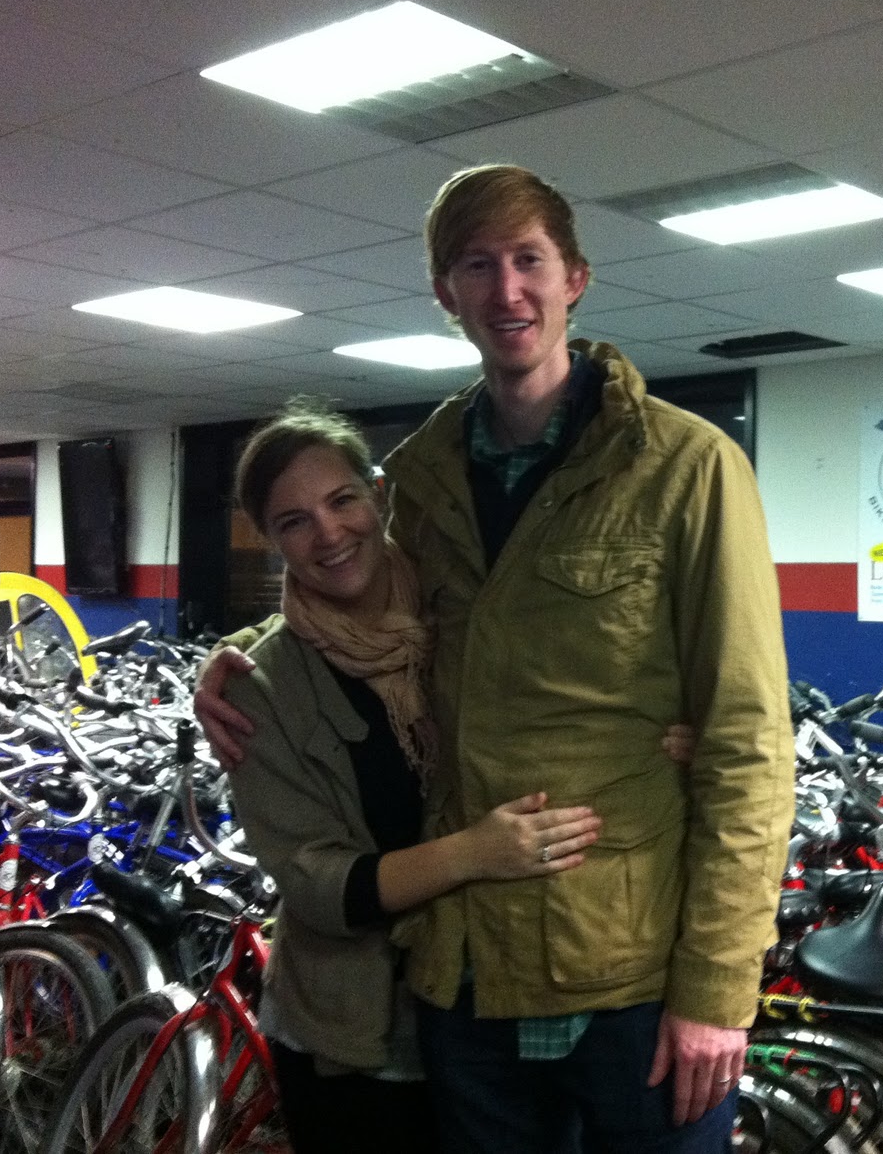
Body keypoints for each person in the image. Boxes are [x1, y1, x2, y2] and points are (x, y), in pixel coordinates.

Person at [198, 164, 795, 1153]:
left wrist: (718, 989)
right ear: (446, 292)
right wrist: (224, 658)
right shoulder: (423, 479)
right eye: (477, 265)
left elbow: (749, 742)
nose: (506, 290)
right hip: (467, 980)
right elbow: (356, 589)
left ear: (575, 279)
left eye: (529, 260)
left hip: (629, 978)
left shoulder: (686, 468)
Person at [216, 401, 607, 1153]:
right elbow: (316, 884)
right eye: (294, 521)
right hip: (363, 1040)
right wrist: (474, 852)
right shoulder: (259, 687)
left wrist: (666, 733)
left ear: (378, 495)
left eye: (342, 500)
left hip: (493, 1004)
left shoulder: (459, 607)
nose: (329, 533)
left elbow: (577, 680)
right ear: (269, 540)